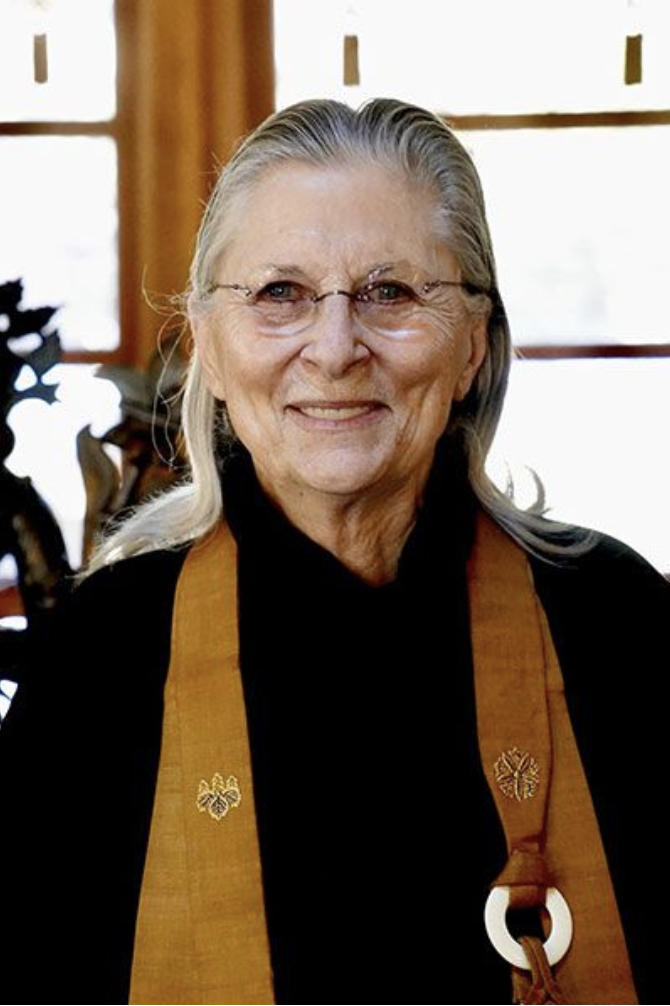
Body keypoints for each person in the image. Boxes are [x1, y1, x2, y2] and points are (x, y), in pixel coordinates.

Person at [1, 97, 668, 1006]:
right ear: (212, 343)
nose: (335, 347)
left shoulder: (617, 622)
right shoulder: (102, 660)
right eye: (280, 294)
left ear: (473, 343)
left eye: (391, 293)